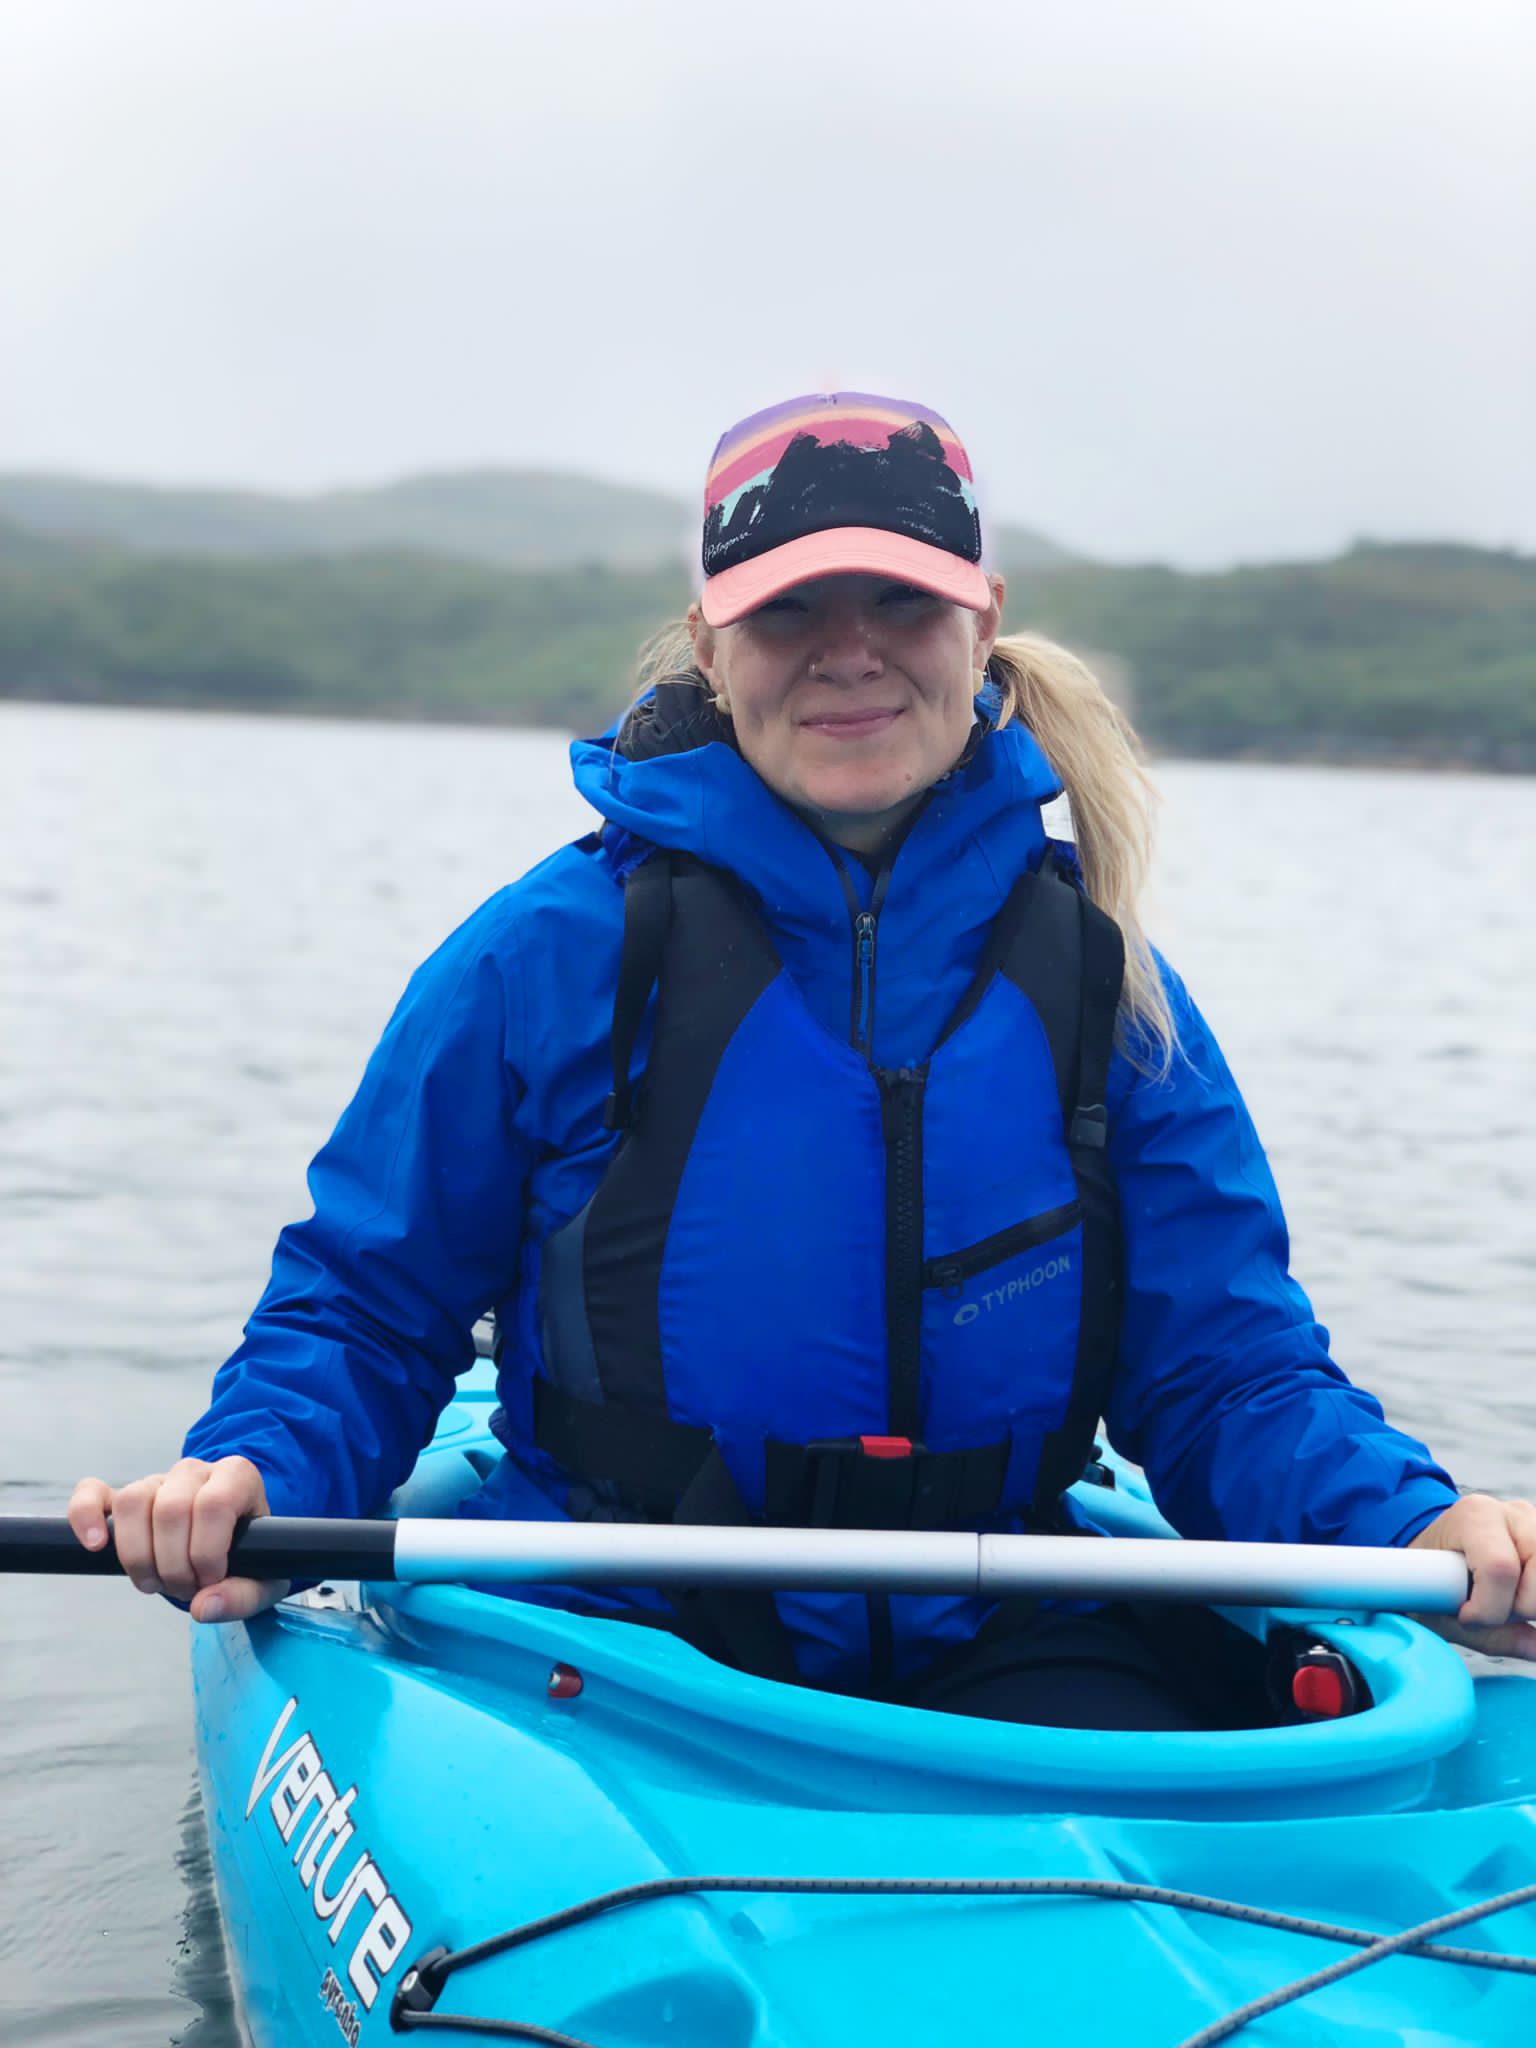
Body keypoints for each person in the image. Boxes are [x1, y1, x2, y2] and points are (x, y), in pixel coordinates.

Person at [68, 391, 1536, 1728]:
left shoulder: (1105, 985)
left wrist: (1414, 1524)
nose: (850, 651)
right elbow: (367, 1307)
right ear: (712, 644)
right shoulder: (550, 953)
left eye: (901, 598)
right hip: (609, 1635)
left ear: (982, 623)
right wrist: (260, 1468)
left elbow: (1227, 1370)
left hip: (1001, 1634)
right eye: (787, 609)